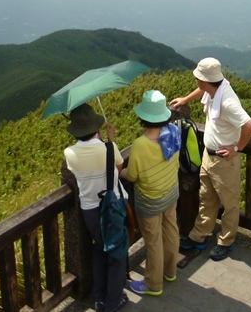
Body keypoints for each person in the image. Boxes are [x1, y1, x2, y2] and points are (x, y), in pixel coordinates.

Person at [169, 57, 251, 261]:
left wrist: (237, 148)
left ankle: (226, 241)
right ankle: (199, 236)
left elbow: (249, 126)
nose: (197, 81)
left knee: (229, 203)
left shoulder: (226, 101)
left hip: (224, 161)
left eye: (198, 77)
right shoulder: (215, 89)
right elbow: (203, 90)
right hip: (209, 156)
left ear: (205, 80)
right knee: (206, 198)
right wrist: (185, 100)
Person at [63, 104, 129, 312]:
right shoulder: (108, 148)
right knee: (116, 254)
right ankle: (112, 301)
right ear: (96, 128)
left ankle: (98, 295)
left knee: (100, 248)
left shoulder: (69, 153)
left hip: (90, 210)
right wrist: (111, 141)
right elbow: (119, 168)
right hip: (113, 207)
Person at [123, 90, 181, 297]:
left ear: (143, 117)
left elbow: (132, 176)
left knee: (154, 241)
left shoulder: (140, 145)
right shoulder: (174, 131)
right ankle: (170, 271)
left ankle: (153, 285)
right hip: (171, 191)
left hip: (150, 200)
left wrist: (120, 171)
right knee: (171, 230)